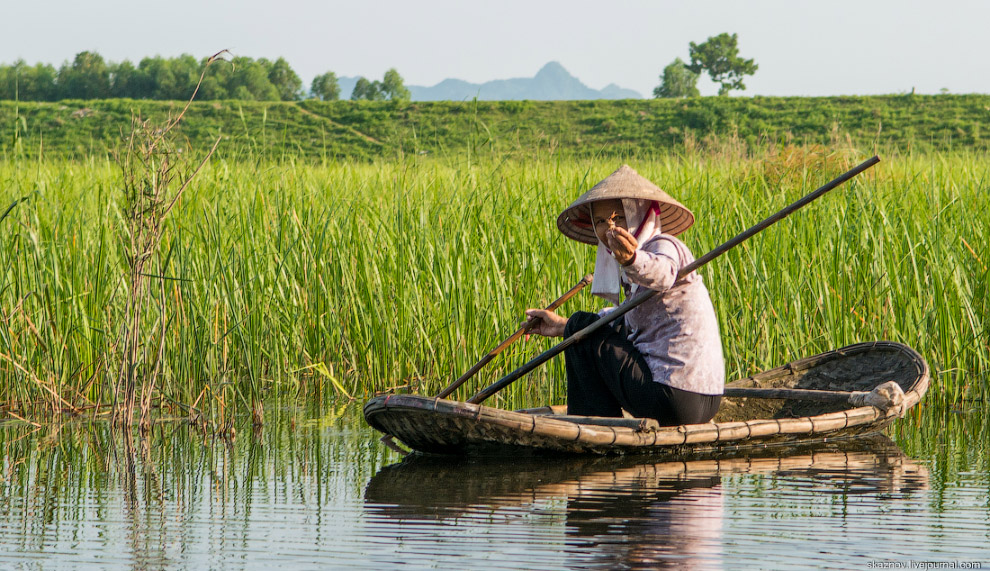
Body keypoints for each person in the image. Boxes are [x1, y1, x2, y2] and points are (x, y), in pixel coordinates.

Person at [525, 165, 724, 425]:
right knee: (581, 328)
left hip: (674, 395)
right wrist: (562, 326)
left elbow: (663, 273)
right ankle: (601, 422)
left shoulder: (664, 246)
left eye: (618, 218)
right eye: (600, 221)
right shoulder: (634, 273)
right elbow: (619, 322)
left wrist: (632, 259)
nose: (609, 229)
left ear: (639, 215)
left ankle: (594, 428)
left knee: (581, 326)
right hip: (701, 401)